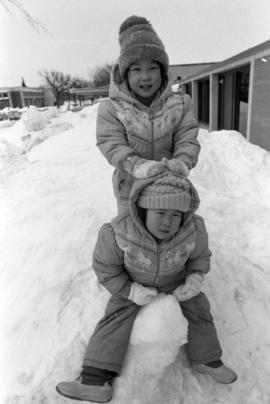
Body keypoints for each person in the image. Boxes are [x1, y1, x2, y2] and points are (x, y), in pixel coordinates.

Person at [56, 170, 237, 402]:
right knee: (115, 317)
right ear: (142, 210)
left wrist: (194, 278)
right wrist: (129, 290)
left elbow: (199, 258)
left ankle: (207, 359)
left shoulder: (193, 230)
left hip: (176, 279)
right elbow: (106, 268)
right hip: (134, 282)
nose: (167, 222)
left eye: (175, 215)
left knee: (199, 309)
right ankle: (95, 379)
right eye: (160, 212)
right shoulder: (118, 233)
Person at [96, 15, 200, 214]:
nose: (145, 76)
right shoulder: (111, 109)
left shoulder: (180, 104)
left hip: (168, 187)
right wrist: (135, 165)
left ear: (162, 72)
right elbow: (111, 143)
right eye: (136, 69)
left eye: (152, 68)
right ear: (126, 74)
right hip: (129, 190)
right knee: (131, 238)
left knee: (170, 238)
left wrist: (181, 162)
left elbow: (187, 139)